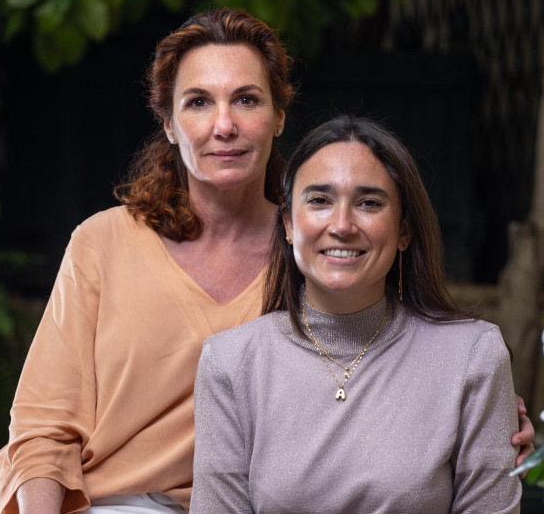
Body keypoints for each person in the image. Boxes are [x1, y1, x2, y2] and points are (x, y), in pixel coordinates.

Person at [0, 9, 533, 514]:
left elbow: (382, 357)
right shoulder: (102, 243)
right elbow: (43, 430)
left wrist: (481, 416)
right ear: (169, 124)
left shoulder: (317, 245)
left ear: (279, 116)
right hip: (77, 498)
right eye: (198, 102)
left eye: (247, 99)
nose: (223, 125)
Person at [191, 116, 522, 513]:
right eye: (319, 200)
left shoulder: (472, 355)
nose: (342, 225)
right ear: (289, 225)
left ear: (404, 231)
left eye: (368, 203)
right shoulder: (230, 362)